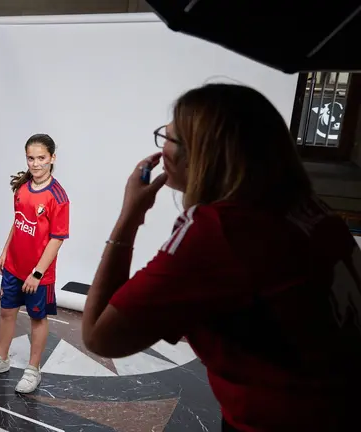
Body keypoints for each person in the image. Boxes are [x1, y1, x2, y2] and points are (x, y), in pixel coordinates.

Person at [81, 83, 361, 432]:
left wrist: (130, 215)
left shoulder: (220, 229)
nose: (163, 148)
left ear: (202, 155)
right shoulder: (311, 210)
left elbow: (98, 336)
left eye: (170, 137)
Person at [0, 133, 69, 394]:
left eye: (41, 158)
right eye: (31, 158)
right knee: (6, 312)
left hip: (39, 274)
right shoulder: (23, 188)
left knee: (37, 318)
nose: (36, 164)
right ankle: (1, 359)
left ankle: (33, 370)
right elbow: (19, 223)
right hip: (14, 268)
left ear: (52, 158)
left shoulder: (58, 197)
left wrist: (37, 273)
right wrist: (5, 251)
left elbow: (57, 239)